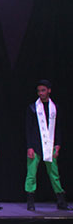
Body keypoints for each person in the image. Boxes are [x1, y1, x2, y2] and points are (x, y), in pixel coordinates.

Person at [25, 79, 70, 211]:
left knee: (54, 174)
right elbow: (28, 129)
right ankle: (30, 201)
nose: (41, 93)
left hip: (50, 146)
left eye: (43, 90)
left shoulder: (55, 108)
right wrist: (29, 146)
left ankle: (61, 201)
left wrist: (58, 144)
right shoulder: (32, 108)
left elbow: (58, 128)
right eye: (39, 91)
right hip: (35, 146)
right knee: (31, 174)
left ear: (49, 91)